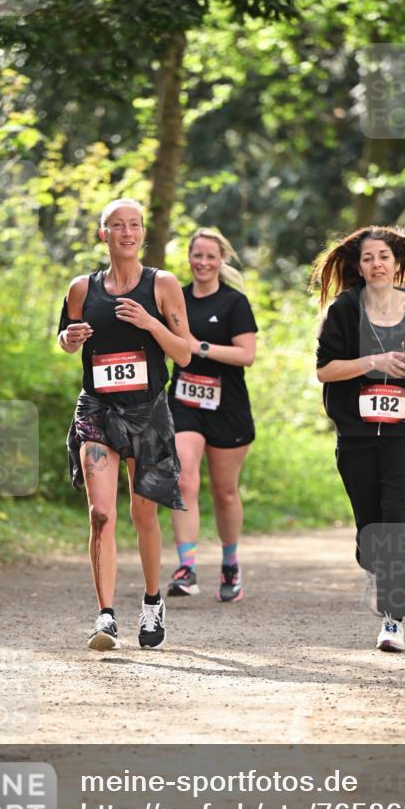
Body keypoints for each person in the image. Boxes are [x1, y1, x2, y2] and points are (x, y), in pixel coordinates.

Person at [58, 198, 191, 652]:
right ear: (104, 234)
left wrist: (151, 323)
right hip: (96, 409)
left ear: (142, 235)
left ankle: (153, 601)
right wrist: (68, 338)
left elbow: (185, 353)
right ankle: (105, 616)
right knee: (100, 514)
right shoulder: (82, 288)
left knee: (143, 514)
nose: (127, 232)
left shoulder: (163, 284)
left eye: (134, 225)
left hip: (146, 413)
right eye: (118, 226)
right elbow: (66, 338)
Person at [313, 225, 405, 653]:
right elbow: (325, 370)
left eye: (383, 256)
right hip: (356, 432)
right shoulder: (344, 310)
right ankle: (373, 564)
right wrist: (374, 360)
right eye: (368, 258)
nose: (377, 264)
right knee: (370, 528)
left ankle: (393, 618)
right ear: (359, 265)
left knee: (396, 516)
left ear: (397, 261)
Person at [165, 228, 258, 602]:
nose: (203, 263)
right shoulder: (175, 300)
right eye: (197, 255)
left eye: (210, 256)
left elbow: (246, 355)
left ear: (221, 261)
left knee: (225, 492)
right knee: (184, 477)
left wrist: (198, 347)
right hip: (184, 402)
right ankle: (186, 567)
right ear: (188, 258)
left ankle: (230, 563)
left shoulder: (235, 303)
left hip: (228, 407)